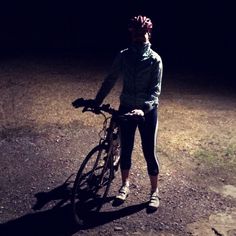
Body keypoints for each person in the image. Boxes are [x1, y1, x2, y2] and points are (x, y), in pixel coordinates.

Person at [93, 15, 163, 210]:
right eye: (136, 34)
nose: (139, 38)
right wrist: (96, 101)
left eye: (143, 34)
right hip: (126, 107)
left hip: (147, 112)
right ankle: (124, 185)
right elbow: (110, 79)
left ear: (149, 33)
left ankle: (154, 192)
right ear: (131, 35)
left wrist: (143, 109)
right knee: (126, 149)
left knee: (149, 151)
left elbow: (155, 93)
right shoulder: (124, 55)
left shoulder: (155, 60)